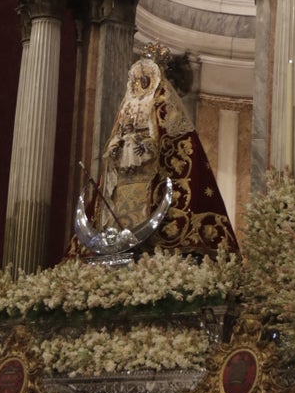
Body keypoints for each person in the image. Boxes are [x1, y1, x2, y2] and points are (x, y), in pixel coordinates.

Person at [91, 52, 238, 257]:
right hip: (126, 170)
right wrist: (116, 146)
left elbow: (169, 137)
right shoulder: (127, 105)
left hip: (151, 173)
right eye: (137, 79)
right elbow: (119, 133)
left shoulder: (162, 103)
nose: (140, 83)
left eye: (144, 79)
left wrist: (149, 145)